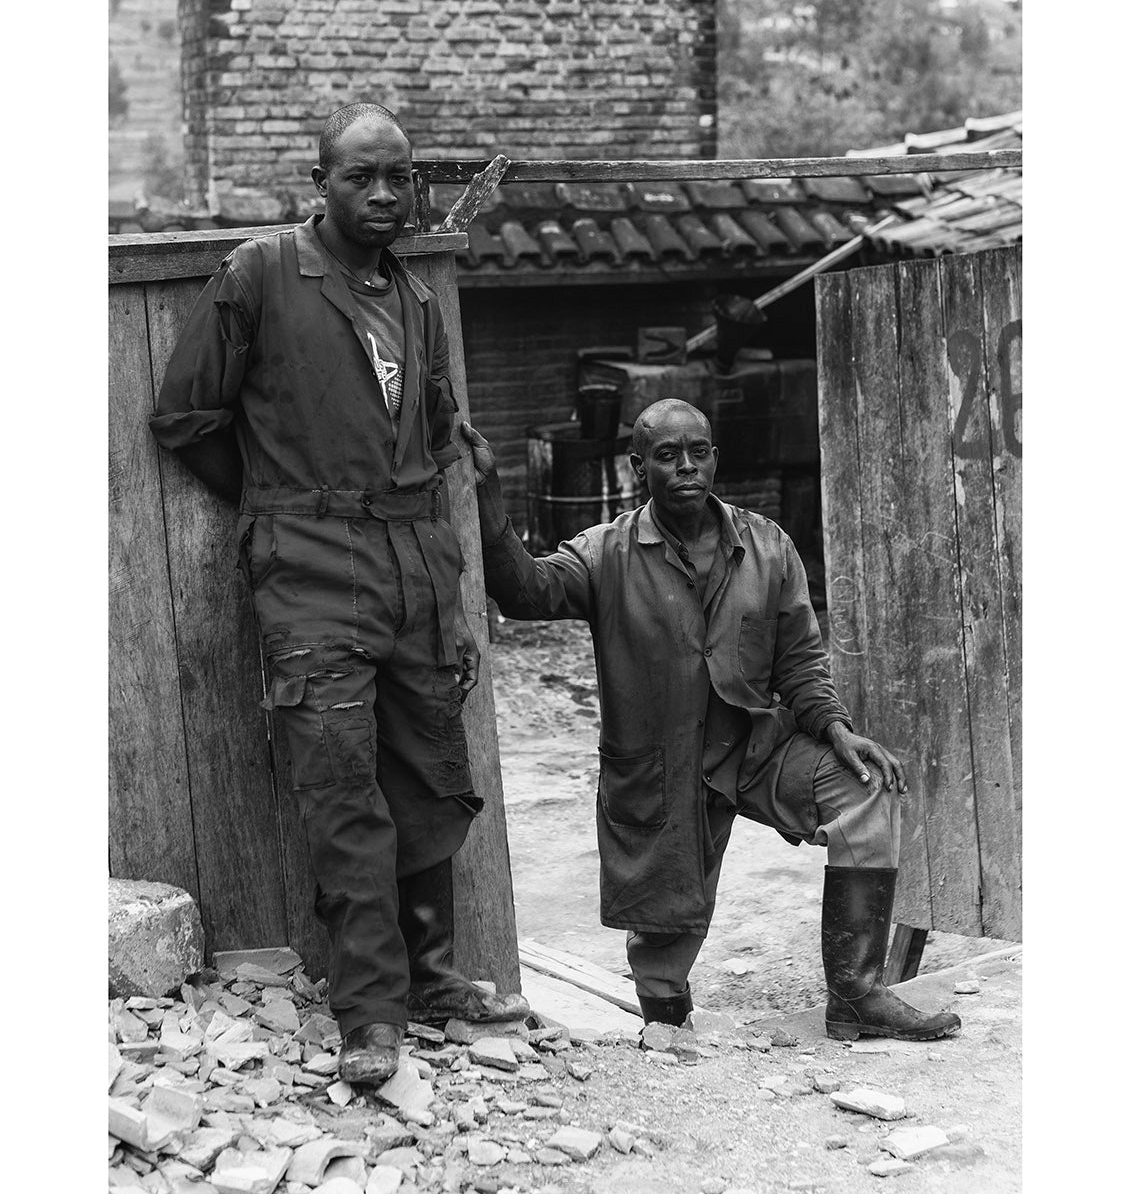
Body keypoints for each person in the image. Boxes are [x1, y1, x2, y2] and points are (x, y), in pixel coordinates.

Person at [150, 101, 527, 1086]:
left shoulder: (415, 297)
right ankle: (371, 1014)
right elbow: (184, 417)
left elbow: (436, 445)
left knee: (432, 776)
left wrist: (451, 598)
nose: (386, 194)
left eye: (401, 176)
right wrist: (283, 504)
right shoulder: (263, 274)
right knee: (341, 788)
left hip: (414, 568)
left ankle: (433, 977)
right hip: (313, 573)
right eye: (363, 177)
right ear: (320, 183)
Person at [464, 399, 959, 1042]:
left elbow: (800, 664)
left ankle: (856, 996)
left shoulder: (767, 546)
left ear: (715, 459)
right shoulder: (606, 553)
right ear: (639, 467)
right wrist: (489, 498)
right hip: (662, 765)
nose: (686, 467)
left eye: (698, 453)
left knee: (865, 793)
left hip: (755, 751)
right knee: (663, 938)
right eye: (667, 456)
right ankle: (666, 1033)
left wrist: (837, 729)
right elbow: (526, 590)